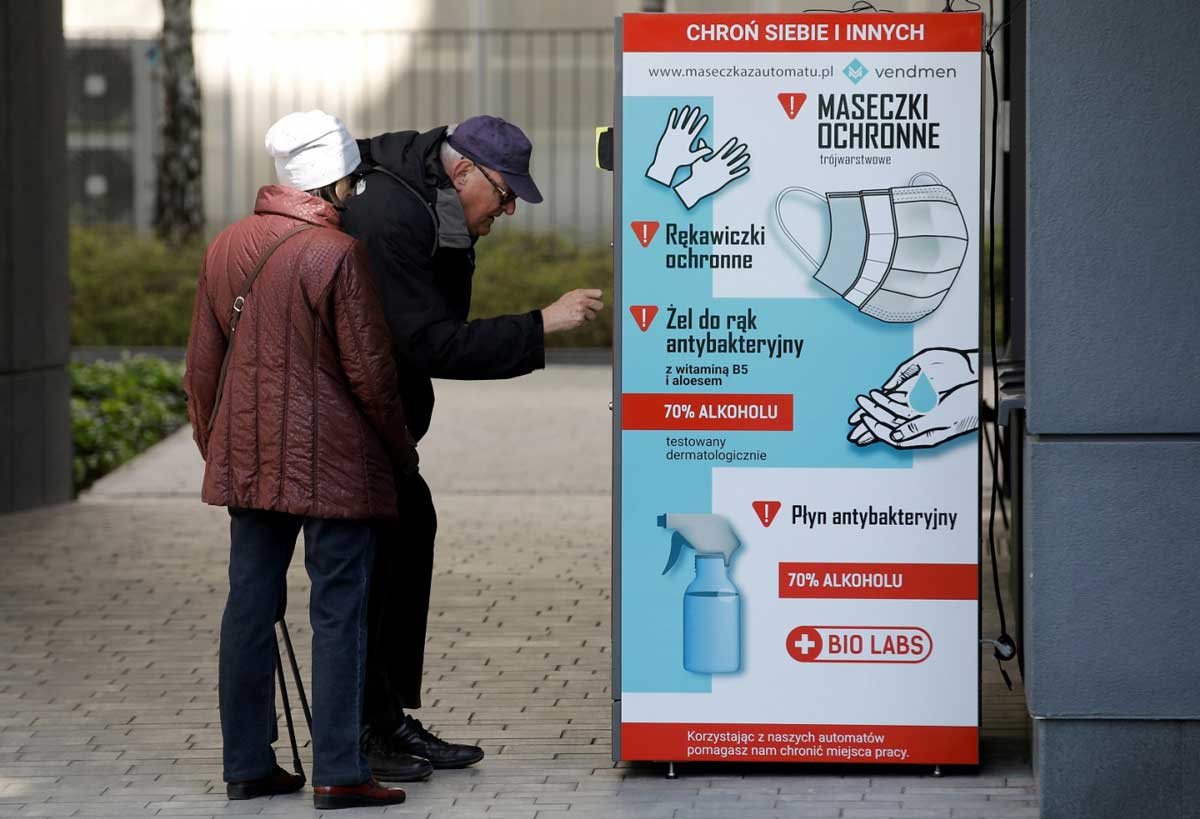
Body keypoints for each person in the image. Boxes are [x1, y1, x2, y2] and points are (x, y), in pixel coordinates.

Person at [340, 115, 604, 780]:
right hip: (348, 424)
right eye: (506, 192)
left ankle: (387, 718)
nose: (511, 206)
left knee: (411, 525)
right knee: (373, 557)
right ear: (464, 173)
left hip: (382, 420)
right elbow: (425, 341)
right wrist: (540, 324)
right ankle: (365, 734)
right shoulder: (393, 216)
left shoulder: (434, 202)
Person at [184, 110, 414, 810]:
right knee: (338, 609)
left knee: (249, 606)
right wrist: (399, 452)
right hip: (336, 466)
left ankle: (248, 764)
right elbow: (371, 374)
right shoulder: (336, 256)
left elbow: (201, 371)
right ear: (338, 182)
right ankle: (339, 770)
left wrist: (217, 446)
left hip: (250, 460)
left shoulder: (227, 246)